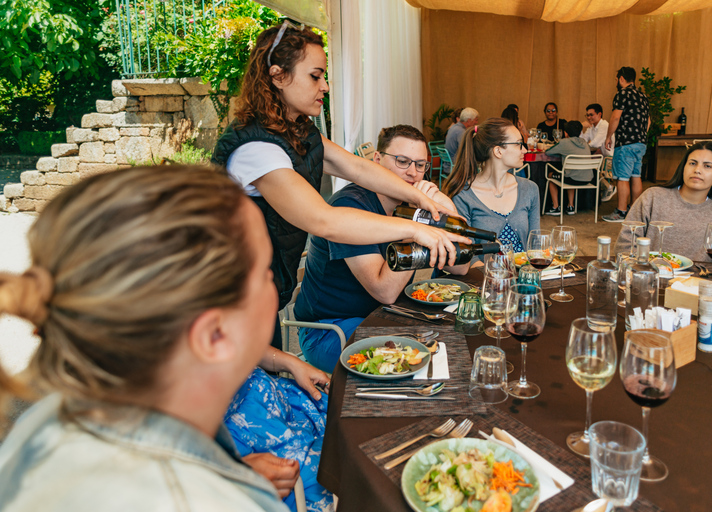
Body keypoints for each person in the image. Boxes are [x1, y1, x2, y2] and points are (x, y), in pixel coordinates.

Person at [0, 166, 331, 512]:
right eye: (264, 272)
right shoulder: (213, 501)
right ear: (215, 335)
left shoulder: (50, 423)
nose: (273, 279)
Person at [212, 22, 466, 351]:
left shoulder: (299, 132)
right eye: (315, 76)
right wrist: (414, 228)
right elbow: (324, 220)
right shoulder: (257, 149)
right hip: (230, 299)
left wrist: (421, 198)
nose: (326, 86)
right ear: (277, 76)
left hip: (261, 292)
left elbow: (357, 166)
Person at [293, 125, 469, 372]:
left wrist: (447, 209)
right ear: (377, 159)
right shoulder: (351, 206)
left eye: (420, 165)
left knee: (452, 340)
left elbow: (460, 266)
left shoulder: (411, 204)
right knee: (415, 361)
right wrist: (416, 226)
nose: (413, 173)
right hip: (330, 329)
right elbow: (385, 291)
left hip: (381, 315)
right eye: (402, 161)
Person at [615, 141, 712, 261]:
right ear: (683, 167)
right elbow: (625, 244)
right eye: (692, 163)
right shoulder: (653, 197)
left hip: (699, 283)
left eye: (707, 166)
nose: (697, 170)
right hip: (652, 278)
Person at [443, 117, 540, 254]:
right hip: (482, 274)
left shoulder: (530, 189)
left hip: (524, 272)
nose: (525, 150)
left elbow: (536, 245)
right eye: (519, 144)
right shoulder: (463, 195)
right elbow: (465, 254)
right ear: (498, 151)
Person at [602, 66, 650, 222]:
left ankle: (621, 212)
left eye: (616, 79)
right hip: (640, 143)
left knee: (622, 177)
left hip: (626, 142)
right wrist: (641, 135)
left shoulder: (622, 93)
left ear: (621, 78)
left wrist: (609, 136)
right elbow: (648, 121)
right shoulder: (643, 96)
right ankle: (633, 211)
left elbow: (616, 117)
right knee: (636, 176)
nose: (616, 82)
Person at [542, 120, 594, 216]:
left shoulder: (564, 142)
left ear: (565, 133)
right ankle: (571, 206)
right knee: (571, 173)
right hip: (587, 179)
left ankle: (556, 207)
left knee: (551, 176)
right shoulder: (585, 143)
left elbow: (548, 152)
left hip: (572, 179)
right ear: (580, 133)